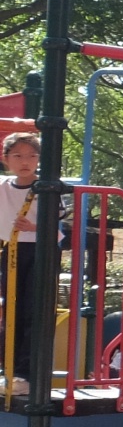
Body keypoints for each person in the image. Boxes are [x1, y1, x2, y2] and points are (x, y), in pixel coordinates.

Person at [0, 132, 43, 394]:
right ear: (6, 159)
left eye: (31, 156)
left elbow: (61, 225)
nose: (25, 161)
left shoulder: (47, 187)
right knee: (11, 310)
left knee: (32, 310)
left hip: (40, 250)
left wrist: (34, 226)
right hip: (12, 249)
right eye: (17, 156)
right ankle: (9, 370)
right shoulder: (3, 186)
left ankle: (26, 374)